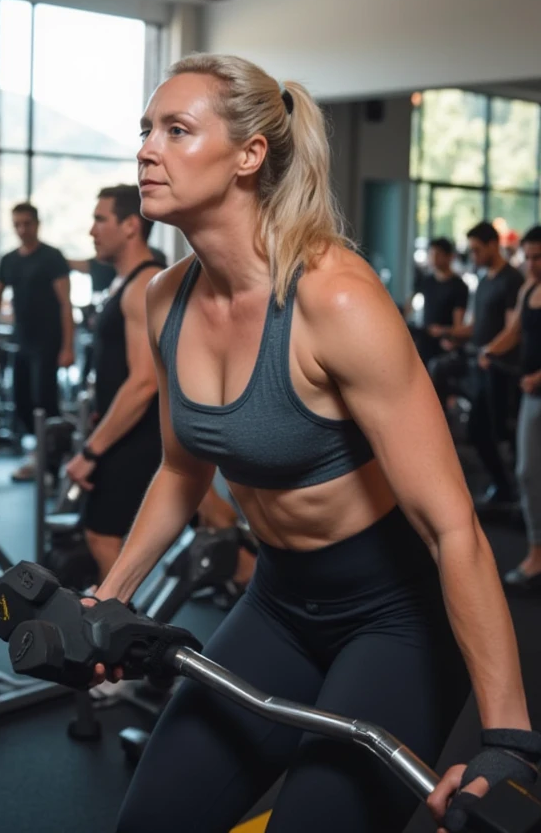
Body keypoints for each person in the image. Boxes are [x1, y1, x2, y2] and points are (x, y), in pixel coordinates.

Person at [81, 57, 537, 833]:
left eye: (177, 131)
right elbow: (181, 471)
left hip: (395, 614)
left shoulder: (335, 298)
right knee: (150, 820)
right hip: (278, 602)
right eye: (145, 131)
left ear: (250, 156)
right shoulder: (166, 300)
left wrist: (510, 740)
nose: (147, 151)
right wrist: (109, 595)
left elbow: (450, 523)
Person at [66, 186, 163, 580]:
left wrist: (91, 453)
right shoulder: (124, 282)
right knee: (212, 520)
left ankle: (125, 637)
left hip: (140, 436)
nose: (92, 230)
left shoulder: (143, 284)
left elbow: (143, 382)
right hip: (131, 430)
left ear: (130, 226)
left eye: (100, 219)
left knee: (103, 536)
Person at [0, 203, 74, 481]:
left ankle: (52, 462)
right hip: (21, 341)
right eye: (17, 224)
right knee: (20, 401)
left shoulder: (52, 257)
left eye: (27, 224)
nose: (22, 229)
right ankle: (39, 451)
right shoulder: (9, 260)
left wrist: (68, 346)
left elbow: (65, 304)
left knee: (44, 400)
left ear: (36, 224)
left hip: (48, 342)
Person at [442, 221, 524, 508]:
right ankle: (504, 487)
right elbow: (475, 326)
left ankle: (515, 491)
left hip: (501, 370)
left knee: (503, 433)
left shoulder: (511, 280)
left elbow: (513, 329)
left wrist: (490, 351)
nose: (474, 256)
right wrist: (450, 334)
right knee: (479, 430)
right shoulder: (485, 280)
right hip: (481, 365)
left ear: (493, 245)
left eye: (477, 250)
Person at [479, 225, 541, 592]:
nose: (532, 264)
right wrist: (490, 349)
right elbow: (514, 332)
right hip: (532, 397)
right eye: (529, 257)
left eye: (539, 257)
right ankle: (536, 554)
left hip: (536, 387)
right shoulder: (528, 289)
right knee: (527, 473)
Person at [408, 237, 469, 369]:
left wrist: (450, 335)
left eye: (438, 254)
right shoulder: (427, 281)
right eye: (431, 254)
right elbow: (410, 304)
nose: (434, 258)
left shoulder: (459, 286)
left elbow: (459, 322)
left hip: (444, 341)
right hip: (425, 339)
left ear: (449, 257)